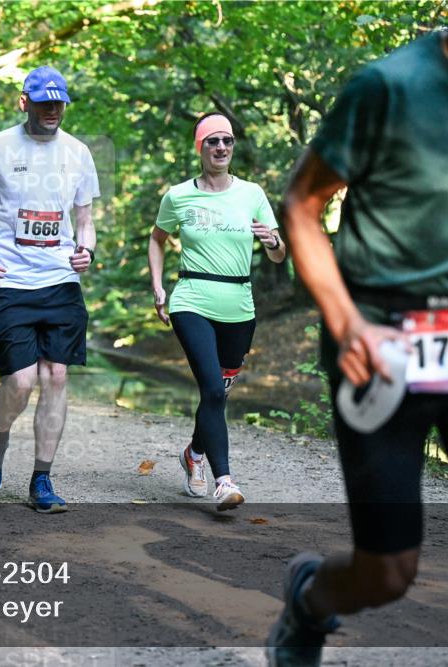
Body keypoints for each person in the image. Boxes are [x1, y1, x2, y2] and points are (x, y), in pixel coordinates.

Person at [265, 3, 448, 666]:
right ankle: (310, 600)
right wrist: (347, 324)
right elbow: (301, 203)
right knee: (388, 572)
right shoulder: (388, 86)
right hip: (381, 347)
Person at [0, 65, 100, 514]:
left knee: (56, 376)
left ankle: (41, 478)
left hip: (60, 280)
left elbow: (84, 220)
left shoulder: (79, 152)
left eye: (58, 103)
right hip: (9, 282)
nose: (52, 111)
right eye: (43, 103)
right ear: (24, 102)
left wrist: (86, 251)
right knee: (20, 382)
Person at [148, 113, 286, 511]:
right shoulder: (178, 196)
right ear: (200, 148)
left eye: (227, 140)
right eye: (213, 141)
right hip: (191, 299)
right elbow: (157, 240)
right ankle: (224, 481)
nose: (221, 147)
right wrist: (158, 286)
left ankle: (193, 453)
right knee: (211, 388)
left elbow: (278, 256)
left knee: (217, 396)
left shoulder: (252, 194)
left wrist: (273, 240)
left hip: (240, 308)